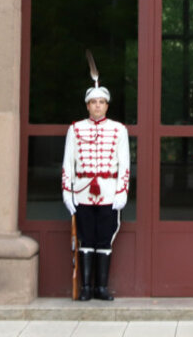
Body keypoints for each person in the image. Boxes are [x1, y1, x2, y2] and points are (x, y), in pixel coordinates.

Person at [62, 85, 130, 301]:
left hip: (109, 192)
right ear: (87, 105)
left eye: (101, 102)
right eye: (94, 102)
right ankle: (85, 288)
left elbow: (124, 164)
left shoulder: (119, 130)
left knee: (104, 240)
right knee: (85, 239)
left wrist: (122, 191)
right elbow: (68, 164)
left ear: (107, 106)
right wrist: (67, 191)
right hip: (82, 192)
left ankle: (101, 287)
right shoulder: (75, 129)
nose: (97, 106)